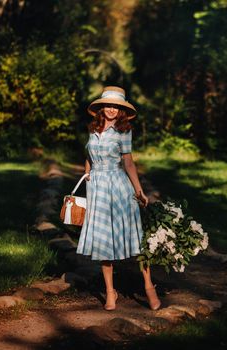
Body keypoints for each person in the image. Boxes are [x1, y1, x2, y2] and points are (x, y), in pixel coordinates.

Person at [76, 86, 161, 311]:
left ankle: (148, 286)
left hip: (118, 186)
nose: (112, 109)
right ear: (101, 107)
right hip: (97, 189)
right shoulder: (93, 128)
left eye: (116, 106)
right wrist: (87, 177)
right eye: (108, 105)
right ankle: (110, 292)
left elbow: (129, 163)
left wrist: (139, 191)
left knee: (134, 237)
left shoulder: (124, 131)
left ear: (121, 109)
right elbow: (88, 156)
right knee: (104, 241)